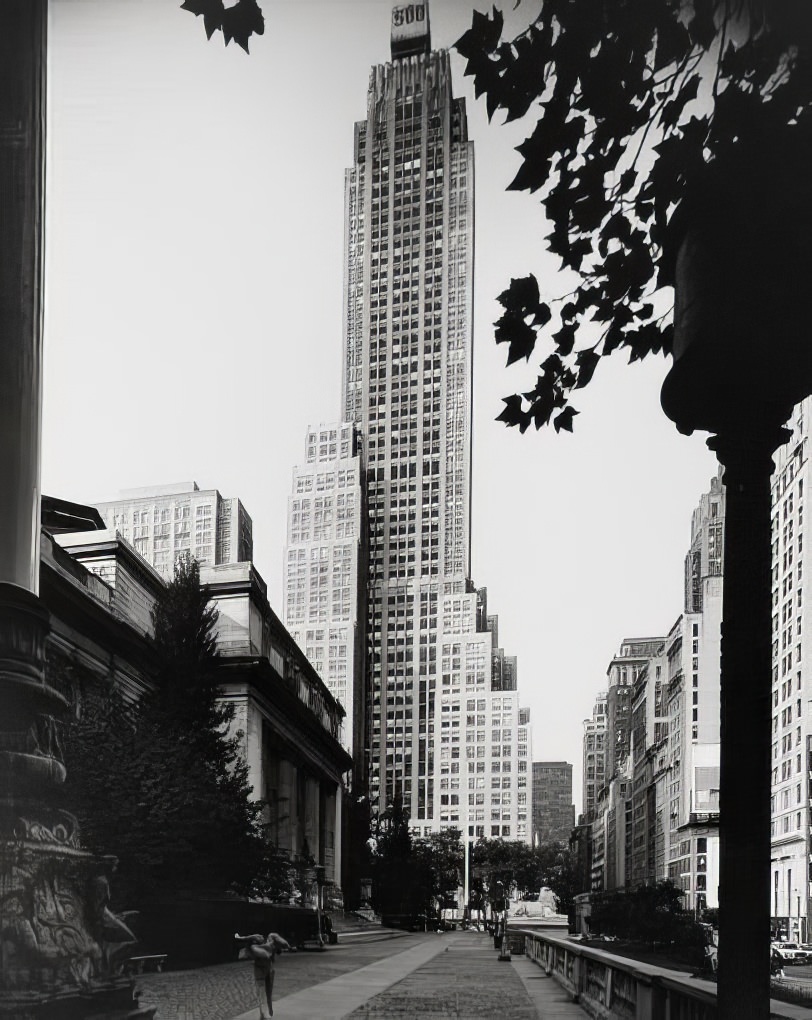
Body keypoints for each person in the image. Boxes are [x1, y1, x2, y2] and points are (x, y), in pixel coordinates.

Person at [235, 931, 291, 1019]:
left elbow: (282, 945)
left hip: (264, 970)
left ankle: (265, 1013)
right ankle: (265, 1013)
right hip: (264, 970)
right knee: (265, 993)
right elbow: (284, 945)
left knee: (263, 993)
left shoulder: (259, 946)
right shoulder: (267, 946)